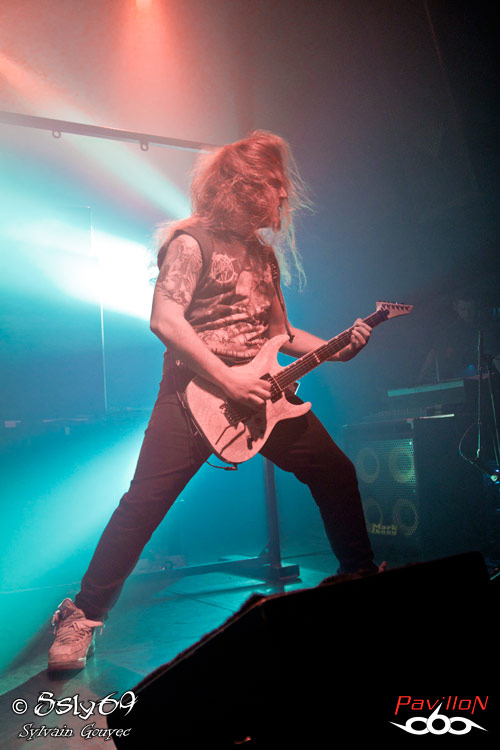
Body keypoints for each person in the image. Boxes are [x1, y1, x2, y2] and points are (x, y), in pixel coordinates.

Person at [48, 130, 380, 672]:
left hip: (263, 394)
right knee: (144, 504)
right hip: (193, 394)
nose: (284, 195)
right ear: (244, 186)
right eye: (274, 184)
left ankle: (360, 580)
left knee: (336, 473)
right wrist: (228, 382)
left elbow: (279, 333)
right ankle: (82, 615)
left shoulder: (264, 255)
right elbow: (165, 319)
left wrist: (338, 347)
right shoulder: (191, 242)